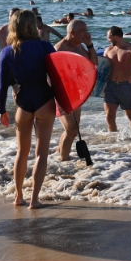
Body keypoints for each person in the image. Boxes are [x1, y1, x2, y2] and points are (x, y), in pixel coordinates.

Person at [0, 10, 57, 208]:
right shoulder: (45, 46)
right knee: (41, 154)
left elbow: (2, 84)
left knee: (21, 153)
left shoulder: (7, 51)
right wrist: (66, 103)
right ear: (33, 25)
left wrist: (1, 111)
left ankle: (19, 197)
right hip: (44, 100)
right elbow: (60, 76)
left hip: (22, 102)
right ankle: (34, 201)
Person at [53, 20, 98, 161]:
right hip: (61, 93)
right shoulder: (59, 49)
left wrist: (89, 44)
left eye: (86, 30)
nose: (86, 33)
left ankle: (59, 152)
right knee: (72, 130)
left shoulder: (79, 46)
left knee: (73, 129)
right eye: (83, 31)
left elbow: (94, 63)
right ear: (72, 32)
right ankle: (63, 161)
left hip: (76, 93)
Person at [102, 27, 131, 132]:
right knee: (109, 116)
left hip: (126, 86)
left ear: (116, 37)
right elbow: (102, 69)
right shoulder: (108, 50)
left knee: (130, 115)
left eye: (109, 38)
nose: (108, 40)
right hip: (110, 85)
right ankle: (113, 138)